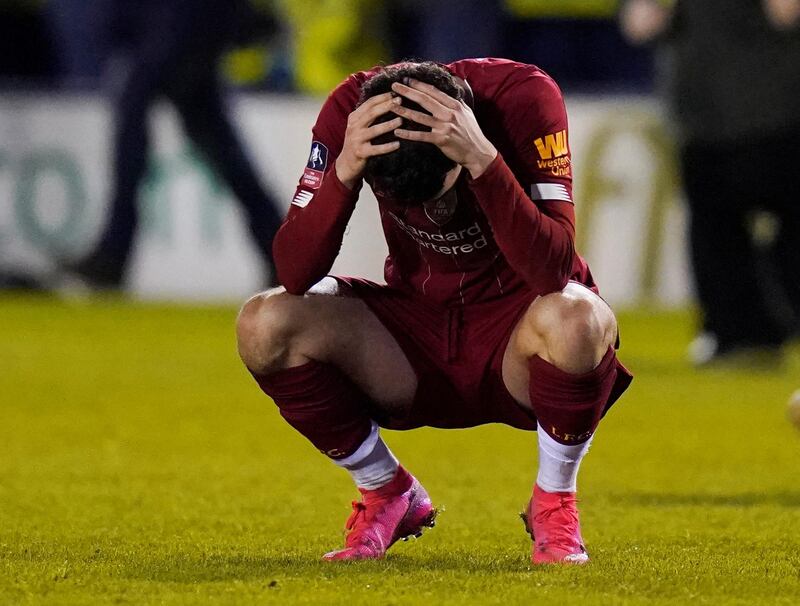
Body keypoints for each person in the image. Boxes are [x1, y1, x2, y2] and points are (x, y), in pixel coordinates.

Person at [236, 59, 633, 564]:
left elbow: (552, 271)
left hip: (518, 326)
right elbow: (294, 271)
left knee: (580, 320)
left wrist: (484, 161)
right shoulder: (353, 110)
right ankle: (386, 491)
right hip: (415, 326)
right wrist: (345, 171)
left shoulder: (524, 96)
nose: (432, 212)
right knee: (264, 322)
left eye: (443, 190)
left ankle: (554, 502)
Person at [620, 0, 800, 367]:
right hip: (707, 120)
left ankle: (746, 331)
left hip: (771, 114)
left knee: (742, 233)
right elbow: (640, 23)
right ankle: (740, 335)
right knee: (716, 234)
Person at [64, 0, 283, 288]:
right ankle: (282, 253)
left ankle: (112, 255)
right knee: (223, 152)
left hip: (180, 24)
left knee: (134, 135)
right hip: (186, 26)